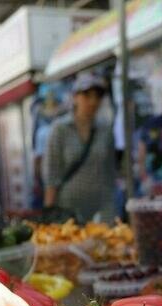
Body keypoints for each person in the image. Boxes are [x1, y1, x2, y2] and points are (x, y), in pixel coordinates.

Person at [43, 73, 116, 222]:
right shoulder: (60, 129)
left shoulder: (105, 130)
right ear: (75, 97)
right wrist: (49, 211)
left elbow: (110, 172)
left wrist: (111, 209)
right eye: (87, 95)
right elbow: (52, 173)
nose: (93, 101)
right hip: (68, 207)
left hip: (100, 207)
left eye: (97, 96)